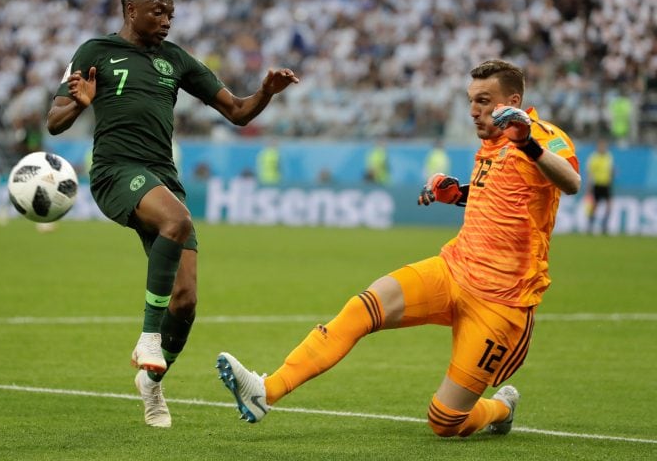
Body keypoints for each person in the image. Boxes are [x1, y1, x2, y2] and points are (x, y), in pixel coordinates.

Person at [216, 59, 580, 438]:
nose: (474, 111)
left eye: (484, 101)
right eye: (471, 100)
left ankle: (501, 407)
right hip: (454, 268)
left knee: (444, 421)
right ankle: (266, 391)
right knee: (362, 308)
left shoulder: (544, 135)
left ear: (514, 100)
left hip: (502, 301)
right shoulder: (491, 141)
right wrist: (456, 194)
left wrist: (528, 144)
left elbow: (570, 182)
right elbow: (503, 197)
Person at [47, 0, 299, 428]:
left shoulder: (176, 61)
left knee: (185, 302)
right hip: (114, 171)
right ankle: (147, 338)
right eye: (157, 11)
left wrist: (265, 91)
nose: (166, 19)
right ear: (131, 11)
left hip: (162, 177)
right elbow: (54, 120)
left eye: (171, 13)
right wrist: (80, 103)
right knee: (177, 221)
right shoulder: (94, 52)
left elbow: (237, 112)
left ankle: (152, 386)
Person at [585, 138, 614, 234]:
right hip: (597, 184)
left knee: (609, 206)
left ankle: (604, 225)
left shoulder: (608, 157)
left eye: (604, 146)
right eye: (601, 146)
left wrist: (612, 176)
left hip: (606, 185)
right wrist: (589, 187)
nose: (603, 148)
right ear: (598, 147)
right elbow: (590, 173)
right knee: (594, 206)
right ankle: (590, 225)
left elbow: (610, 170)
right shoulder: (594, 158)